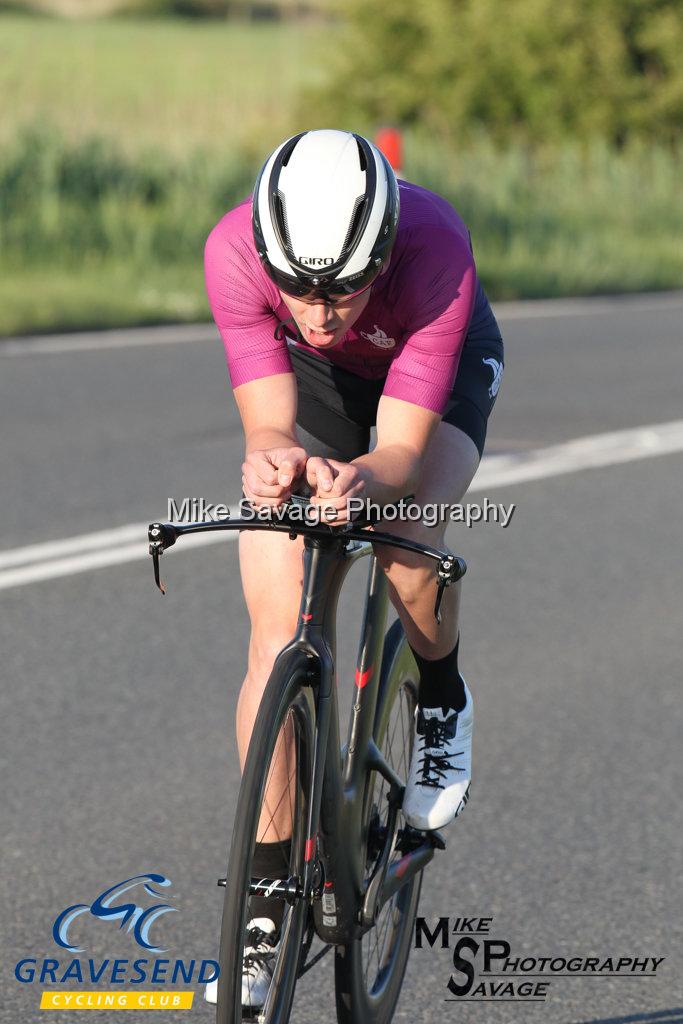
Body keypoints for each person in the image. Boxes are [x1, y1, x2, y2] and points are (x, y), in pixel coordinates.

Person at [203, 129, 504, 1008]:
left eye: (341, 286)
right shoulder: (232, 253)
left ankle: (442, 698)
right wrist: (273, 460)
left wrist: (361, 478)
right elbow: (267, 423)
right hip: (322, 388)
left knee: (407, 535)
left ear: (382, 251)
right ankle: (263, 890)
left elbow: (402, 451)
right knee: (273, 631)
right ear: (267, 256)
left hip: (430, 370)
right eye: (298, 287)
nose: (321, 308)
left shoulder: (435, 251)